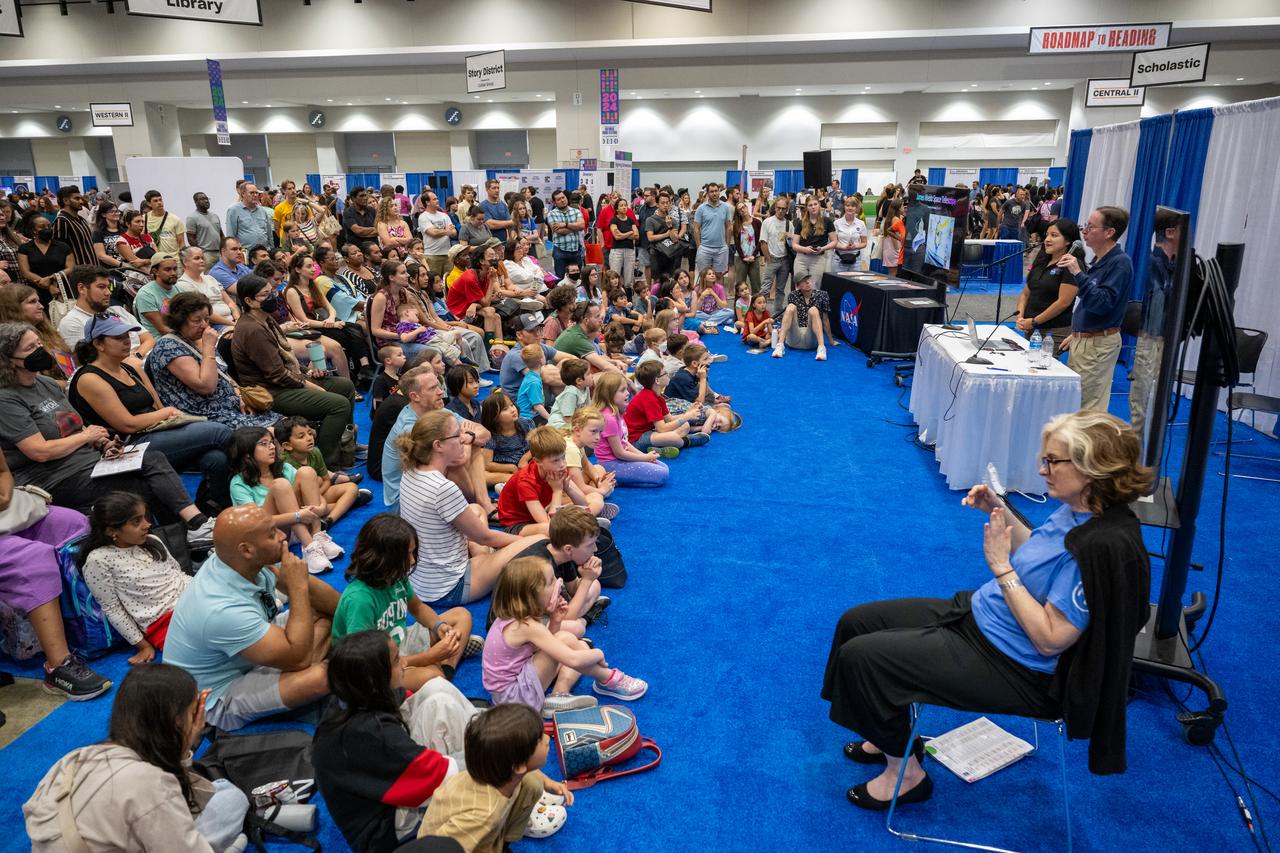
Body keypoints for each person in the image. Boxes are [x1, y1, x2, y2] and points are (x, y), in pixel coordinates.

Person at [823, 411, 1152, 809]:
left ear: (1090, 468)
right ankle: (891, 735)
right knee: (856, 624)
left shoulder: (1100, 546)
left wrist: (1001, 566)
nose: (1041, 469)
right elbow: (1039, 555)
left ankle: (906, 775)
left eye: (1052, 461)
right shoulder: (1081, 507)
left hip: (1017, 667)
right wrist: (1000, 510)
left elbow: (1050, 640)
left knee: (863, 660)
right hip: (984, 619)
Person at [0, 322, 215, 542]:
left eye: (38, 343)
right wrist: (86, 437)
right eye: (29, 349)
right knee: (143, 486)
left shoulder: (46, 384)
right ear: (8, 360)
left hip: (89, 461)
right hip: (55, 478)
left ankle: (191, 530)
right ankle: (185, 533)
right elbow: (39, 451)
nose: (39, 351)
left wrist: (103, 444)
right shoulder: (6, 399)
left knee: (153, 458)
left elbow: (76, 425)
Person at [24, 663, 250, 853]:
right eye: (194, 713)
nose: (200, 721)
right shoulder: (150, 782)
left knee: (216, 793)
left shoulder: (76, 757)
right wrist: (187, 741)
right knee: (230, 798)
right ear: (175, 722)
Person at [164, 503, 339, 731]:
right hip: (215, 697)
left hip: (247, 653)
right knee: (320, 677)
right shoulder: (220, 609)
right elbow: (301, 659)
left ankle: (285, 664)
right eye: (271, 534)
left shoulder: (243, 560)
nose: (282, 537)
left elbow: (337, 605)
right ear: (246, 549)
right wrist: (298, 588)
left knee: (321, 612)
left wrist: (301, 584)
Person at [313, 629, 479, 853]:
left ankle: (490, 743)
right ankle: (490, 788)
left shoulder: (354, 694)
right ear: (375, 678)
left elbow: (412, 701)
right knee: (444, 708)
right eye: (395, 661)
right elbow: (440, 773)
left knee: (437, 690)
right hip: (385, 831)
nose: (404, 663)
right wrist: (499, 759)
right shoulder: (371, 735)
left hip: (381, 791)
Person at [68, 311, 233, 511]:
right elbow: (127, 424)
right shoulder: (89, 378)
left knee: (216, 458)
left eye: (127, 336)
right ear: (98, 344)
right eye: (118, 338)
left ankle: (215, 509)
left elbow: (158, 406)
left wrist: (166, 414)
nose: (127, 341)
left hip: (157, 431)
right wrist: (166, 413)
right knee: (220, 431)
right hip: (126, 445)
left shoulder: (131, 368)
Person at [397, 411, 543, 607]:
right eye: (457, 436)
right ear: (438, 445)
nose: (464, 440)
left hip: (419, 581)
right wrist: (524, 542)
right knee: (541, 540)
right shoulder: (443, 488)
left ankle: (485, 557)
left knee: (475, 509)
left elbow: (469, 505)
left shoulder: (411, 471)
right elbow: (486, 537)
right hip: (449, 588)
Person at [0, 451, 112, 700]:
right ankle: (58, 666)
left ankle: (84, 626)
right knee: (32, 558)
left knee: (75, 524)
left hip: (7, 513)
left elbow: (2, 471)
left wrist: (6, 494)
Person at [483, 555, 646, 714]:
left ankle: (559, 694)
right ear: (532, 594)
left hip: (510, 692)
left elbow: (540, 648)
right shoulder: (527, 626)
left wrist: (555, 621)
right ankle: (607, 677)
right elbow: (571, 659)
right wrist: (598, 653)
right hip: (515, 701)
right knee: (567, 642)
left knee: (578, 643)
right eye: (551, 582)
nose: (558, 584)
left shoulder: (513, 616)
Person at [331, 514, 478, 691]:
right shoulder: (360, 600)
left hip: (399, 640)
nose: (413, 561)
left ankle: (443, 668)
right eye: (407, 554)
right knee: (433, 676)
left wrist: (439, 626)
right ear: (383, 558)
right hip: (377, 667)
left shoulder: (395, 576)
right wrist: (428, 657)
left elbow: (417, 607)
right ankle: (439, 666)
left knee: (461, 615)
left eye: (412, 552)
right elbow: (366, 665)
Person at [230, 275, 356, 468]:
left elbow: (287, 362)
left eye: (271, 291)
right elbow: (276, 375)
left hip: (286, 381)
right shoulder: (252, 329)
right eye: (265, 294)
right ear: (249, 301)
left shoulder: (266, 320)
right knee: (338, 405)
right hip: (271, 392)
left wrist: (307, 372)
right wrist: (311, 385)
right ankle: (327, 462)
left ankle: (344, 444)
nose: (273, 296)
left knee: (345, 386)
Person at [418, 703, 574, 850]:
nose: (547, 739)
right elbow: (441, 847)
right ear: (518, 766)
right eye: (539, 739)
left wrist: (548, 782)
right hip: (458, 842)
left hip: (480, 829)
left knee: (533, 782)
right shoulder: (484, 813)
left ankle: (505, 841)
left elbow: (526, 772)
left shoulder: (496, 770)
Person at [80, 492, 192, 664]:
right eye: (136, 521)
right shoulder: (99, 560)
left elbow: (177, 573)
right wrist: (142, 645)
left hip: (193, 598)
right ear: (111, 530)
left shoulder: (152, 540)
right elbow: (112, 609)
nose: (148, 524)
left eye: (145, 517)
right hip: (164, 621)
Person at [227, 425, 341, 574]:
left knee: (306, 472)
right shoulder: (238, 483)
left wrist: (321, 508)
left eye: (271, 442)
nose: (272, 447)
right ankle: (309, 546)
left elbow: (318, 496)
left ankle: (317, 535)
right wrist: (297, 516)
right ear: (247, 454)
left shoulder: (284, 468)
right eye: (264, 444)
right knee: (280, 485)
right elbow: (255, 523)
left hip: (298, 526)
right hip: (270, 533)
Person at [380, 366, 492, 515]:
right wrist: (467, 439)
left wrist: (469, 436)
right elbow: (458, 460)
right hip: (405, 501)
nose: (441, 392)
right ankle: (474, 505)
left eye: (439, 385)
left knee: (473, 442)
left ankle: (482, 503)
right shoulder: (409, 426)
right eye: (433, 388)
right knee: (455, 462)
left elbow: (485, 433)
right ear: (415, 396)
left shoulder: (437, 410)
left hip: (428, 485)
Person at [1060, 206, 1133, 412]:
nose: (1084, 232)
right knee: (1078, 402)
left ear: (1109, 233)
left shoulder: (1119, 263)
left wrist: (1078, 273)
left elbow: (1101, 303)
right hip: (1086, 339)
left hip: (1097, 343)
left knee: (1087, 407)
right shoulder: (1100, 261)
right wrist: (1077, 334)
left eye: (1090, 227)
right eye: (1085, 226)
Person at [494, 426, 594, 536]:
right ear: (537, 461)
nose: (562, 464)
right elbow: (548, 523)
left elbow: (584, 505)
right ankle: (581, 527)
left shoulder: (556, 469)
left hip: (542, 512)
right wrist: (557, 491)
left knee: (595, 499)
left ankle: (579, 527)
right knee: (548, 530)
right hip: (517, 524)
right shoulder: (526, 481)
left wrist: (568, 488)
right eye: (555, 460)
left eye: (563, 457)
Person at [276, 416, 372, 524]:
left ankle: (328, 520)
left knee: (352, 487)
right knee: (318, 481)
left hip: (316, 494)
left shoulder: (315, 452)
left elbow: (327, 480)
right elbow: (288, 497)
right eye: (301, 436)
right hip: (297, 503)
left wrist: (317, 496)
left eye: (310, 433)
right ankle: (349, 503)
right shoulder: (283, 463)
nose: (309, 438)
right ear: (287, 446)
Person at [57, 265, 153, 363]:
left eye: (109, 287)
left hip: (145, 361)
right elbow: (92, 362)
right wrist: (132, 364)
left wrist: (137, 356)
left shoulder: (118, 310)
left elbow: (149, 339)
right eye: (101, 287)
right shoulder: (71, 322)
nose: (108, 292)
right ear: (82, 288)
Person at [590, 371, 670, 486]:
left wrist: (644, 457)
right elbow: (619, 453)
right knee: (662, 473)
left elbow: (624, 442)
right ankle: (616, 479)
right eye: (622, 390)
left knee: (663, 467)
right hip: (611, 464)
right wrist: (645, 458)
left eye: (626, 389)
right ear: (609, 394)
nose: (627, 393)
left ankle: (624, 478)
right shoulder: (609, 418)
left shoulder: (617, 412)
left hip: (620, 458)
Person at [1016, 219, 1082, 338]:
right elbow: (1026, 293)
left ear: (1067, 240)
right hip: (1031, 327)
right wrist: (1020, 316)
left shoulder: (1071, 264)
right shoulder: (1041, 260)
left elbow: (1063, 302)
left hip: (1053, 332)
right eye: (1047, 235)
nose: (1047, 239)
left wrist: (1034, 321)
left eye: (1054, 235)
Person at [0, 283, 76, 382]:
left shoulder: (47, 331)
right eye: (32, 302)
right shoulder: (9, 342)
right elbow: (32, 383)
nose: (41, 306)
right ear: (13, 308)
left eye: (38, 301)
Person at [16, 212, 74, 309]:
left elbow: (71, 267)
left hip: (62, 289)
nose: (47, 229)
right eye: (42, 227)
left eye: (49, 226)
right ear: (34, 230)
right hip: (37, 291)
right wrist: (49, 287)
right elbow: (25, 272)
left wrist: (53, 277)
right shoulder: (25, 248)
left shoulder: (63, 246)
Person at [772, 274, 836, 360]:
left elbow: (825, 319)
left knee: (813, 310)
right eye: (804, 281)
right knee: (790, 306)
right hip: (795, 337)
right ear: (797, 286)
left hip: (811, 338)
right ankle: (780, 346)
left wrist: (831, 341)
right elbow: (789, 317)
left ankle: (821, 348)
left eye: (809, 279)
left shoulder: (822, 295)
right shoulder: (793, 295)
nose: (807, 282)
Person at [177, 246, 238, 327]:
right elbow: (202, 313)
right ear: (185, 262)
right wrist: (232, 324)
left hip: (232, 320)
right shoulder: (184, 284)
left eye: (202, 258)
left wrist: (237, 318)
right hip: (212, 325)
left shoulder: (210, 278)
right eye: (197, 258)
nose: (202, 261)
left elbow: (229, 302)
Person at [692, 181, 732, 283]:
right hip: (705, 248)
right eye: (712, 191)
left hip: (721, 248)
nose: (714, 193)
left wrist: (726, 245)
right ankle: (704, 297)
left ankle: (718, 297)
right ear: (708, 193)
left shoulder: (726, 208)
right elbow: (696, 228)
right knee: (704, 277)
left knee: (719, 276)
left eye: (716, 191)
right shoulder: (701, 209)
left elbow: (728, 227)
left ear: (719, 192)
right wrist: (699, 246)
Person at [791, 195, 835, 287]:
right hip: (801, 258)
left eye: (815, 204)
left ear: (819, 205)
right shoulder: (800, 223)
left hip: (818, 259)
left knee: (814, 287)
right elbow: (794, 245)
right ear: (807, 207)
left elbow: (834, 241)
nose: (813, 207)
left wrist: (822, 248)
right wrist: (805, 249)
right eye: (810, 205)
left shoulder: (827, 221)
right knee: (800, 287)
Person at [759, 195, 792, 314]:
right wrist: (768, 259)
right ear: (775, 207)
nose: (781, 211)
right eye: (779, 208)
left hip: (784, 260)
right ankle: (760, 312)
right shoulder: (767, 222)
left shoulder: (789, 224)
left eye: (783, 208)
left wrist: (791, 237)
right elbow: (763, 242)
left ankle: (777, 312)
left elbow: (793, 243)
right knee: (765, 288)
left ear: (786, 209)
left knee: (780, 289)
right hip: (772, 259)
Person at [545, 190, 585, 279]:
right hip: (560, 252)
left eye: (563, 197)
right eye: (559, 199)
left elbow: (582, 226)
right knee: (560, 278)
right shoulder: (552, 214)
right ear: (555, 203)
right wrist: (575, 227)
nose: (562, 200)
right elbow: (559, 231)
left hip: (576, 251)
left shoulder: (576, 211)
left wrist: (565, 224)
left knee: (577, 279)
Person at [417, 191, 457, 278]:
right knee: (434, 282)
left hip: (447, 255)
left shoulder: (444, 215)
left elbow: (454, 232)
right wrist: (447, 231)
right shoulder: (423, 217)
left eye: (437, 198)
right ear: (427, 202)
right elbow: (433, 233)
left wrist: (442, 231)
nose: (438, 200)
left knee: (448, 281)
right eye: (434, 199)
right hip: (432, 255)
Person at [53, 185, 95, 268]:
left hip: (92, 268)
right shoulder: (62, 221)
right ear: (65, 201)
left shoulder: (81, 219)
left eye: (80, 198)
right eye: (76, 199)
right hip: (79, 272)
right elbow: (59, 251)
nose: (81, 202)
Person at [225, 182, 273, 253]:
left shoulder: (262, 210)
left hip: (264, 252)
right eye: (252, 193)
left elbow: (269, 233)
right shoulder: (234, 210)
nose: (255, 195)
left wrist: (271, 249)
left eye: (256, 193)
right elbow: (231, 236)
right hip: (246, 254)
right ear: (243, 194)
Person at [185, 191, 224, 270]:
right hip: (206, 253)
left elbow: (221, 234)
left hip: (219, 253)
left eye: (207, 199)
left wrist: (224, 250)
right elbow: (191, 238)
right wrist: (200, 253)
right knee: (206, 277)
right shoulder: (192, 218)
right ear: (196, 202)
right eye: (202, 199)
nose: (206, 201)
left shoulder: (215, 215)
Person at [831, 196, 869, 274]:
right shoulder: (837, 223)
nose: (850, 208)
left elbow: (864, 243)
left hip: (856, 261)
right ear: (844, 207)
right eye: (847, 205)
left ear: (856, 208)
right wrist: (844, 247)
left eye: (853, 206)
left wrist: (855, 246)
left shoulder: (861, 224)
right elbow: (833, 242)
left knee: (854, 285)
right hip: (839, 260)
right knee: (838, 285)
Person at [142, 190, 186, 256]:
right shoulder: (144, 218)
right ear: (149, 204)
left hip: (174, 258)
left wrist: (182, 259)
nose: (159, 202)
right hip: (154, 259)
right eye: (155, 201)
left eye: (160, 200)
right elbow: (142, 236)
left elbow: (181, 243)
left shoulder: (175, 219)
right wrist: (151, 240)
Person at [881, 199, 905, 277]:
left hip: (889, 248)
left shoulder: (891, 218)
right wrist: (898, 251)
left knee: (892, 274)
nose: (904, 207)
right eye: (902, 205)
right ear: (898, 208)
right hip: (894, 249)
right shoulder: (896, 220)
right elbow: (894, 237)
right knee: (893, 275)